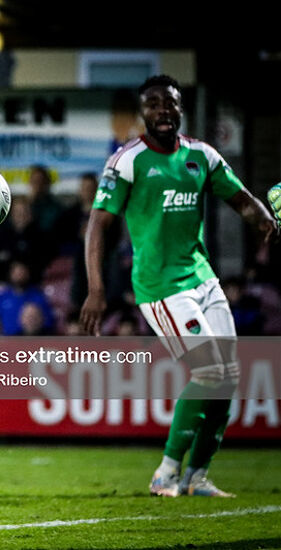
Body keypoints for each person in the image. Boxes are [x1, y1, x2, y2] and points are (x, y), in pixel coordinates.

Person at [80, 75, 279, 498]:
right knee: (209, 373)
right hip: (160, 286)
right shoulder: (127, 161)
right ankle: (167, 472)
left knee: (229, 377)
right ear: (143, 113)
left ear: (180, 108)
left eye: (168, 103)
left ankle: (198, 476)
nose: (162, 111)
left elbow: (240, 198)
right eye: (152, 105)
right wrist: (96, 288)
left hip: (202, 278)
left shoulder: (201, 155)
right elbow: (98, 223)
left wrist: (263, 218)